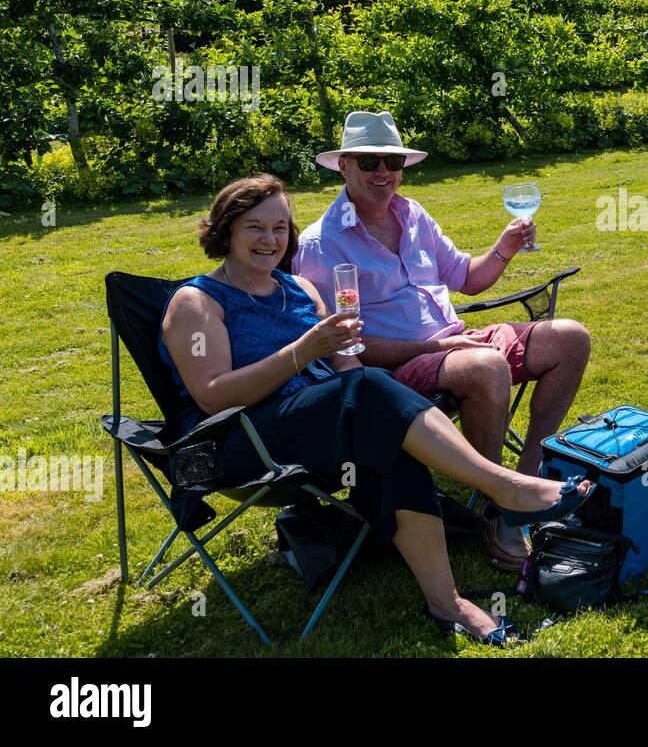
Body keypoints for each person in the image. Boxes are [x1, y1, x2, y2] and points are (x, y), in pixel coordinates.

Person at [160, 174, 591, 644]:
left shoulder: (300, 289)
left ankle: (447, 603)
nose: (270, 240)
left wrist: (358, 372)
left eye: (280, 228)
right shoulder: (197, 301)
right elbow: (213, 395)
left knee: (385, 431)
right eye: (255, 228)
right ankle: (505, 488)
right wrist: (303, 353)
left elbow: (347, 365)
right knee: (368, 391)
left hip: (324, 422)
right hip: (246, 439)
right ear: (225, 230)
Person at [294, 111, 591, 571]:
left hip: (456, 340)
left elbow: (466, 280)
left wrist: (504, 248)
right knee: (486, 365)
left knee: (570, 337)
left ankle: (526, 475)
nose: (384, 173)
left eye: (392, 161)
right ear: (344, 165)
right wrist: (432, 349)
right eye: (370, 162)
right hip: (395, 370)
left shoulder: (413, 215)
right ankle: (499, 505)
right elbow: (339, 345)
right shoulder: (321, 244)